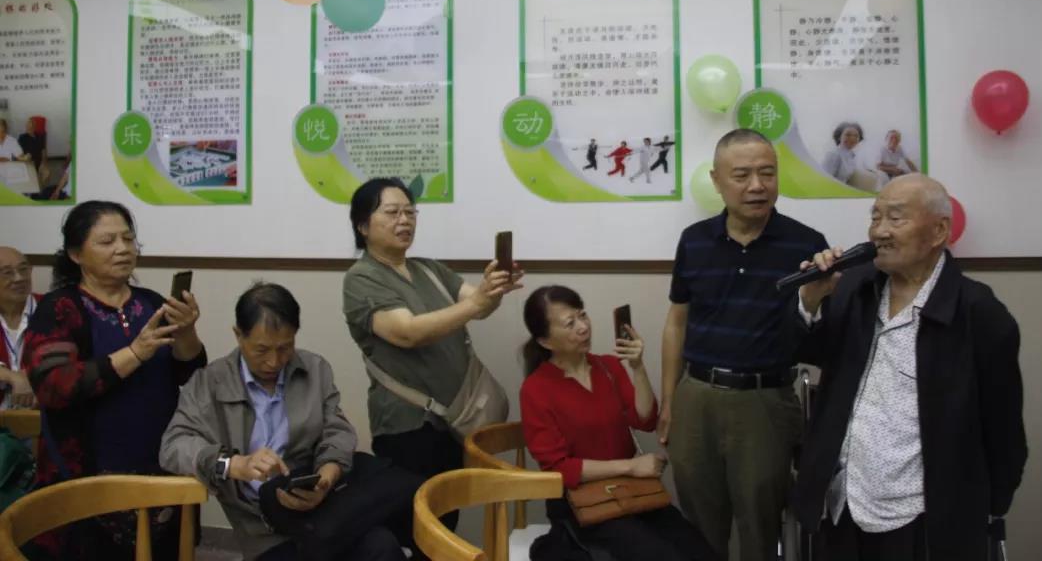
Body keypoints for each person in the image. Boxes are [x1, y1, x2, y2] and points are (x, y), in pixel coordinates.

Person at [792, 174, 1027, 561]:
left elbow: (1004, 433)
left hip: (922, 516)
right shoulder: (853, 287)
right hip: (844, 503)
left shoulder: (980, 313)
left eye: (895, 218)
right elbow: (808, 351)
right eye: (875, 217)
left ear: (939, 231)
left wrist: (984, 510)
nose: (879, 231)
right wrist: (811, 300)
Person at [659, 128, 827, 561]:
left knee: (761, 523)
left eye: (767, 173)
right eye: (742, 175)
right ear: (717, 181)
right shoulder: (694, 240)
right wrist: (670, 399)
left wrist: (815, 298)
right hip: (696, 396)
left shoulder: (806, 244)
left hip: (765, 400)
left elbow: (822, 334)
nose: (757, 185)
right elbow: (677, 321)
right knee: (698, 524)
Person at [161, 282, 419, 561]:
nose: (274, 361)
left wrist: (326, 478)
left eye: (285, 347)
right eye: (261, 350)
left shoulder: (314, 369)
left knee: (382, 544)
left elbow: (337, 432)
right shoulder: (211, 382)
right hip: (262, 529)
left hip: (323, 507)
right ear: (238, 335)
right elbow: (174, 445)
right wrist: (234, 464)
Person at [23, 200, 207, 560]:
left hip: (160, 465)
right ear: (76, 254)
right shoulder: (59, 308)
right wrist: (135, 353)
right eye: (107, 241)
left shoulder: (151, 302)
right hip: (87, 473)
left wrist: (186, 332)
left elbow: (189, 373)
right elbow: (54, 386)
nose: (123, 248)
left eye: (128, 238)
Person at [341, 178, 522, 530]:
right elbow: (407, 332)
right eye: (392, 212)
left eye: (410, 212)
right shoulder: (361, 278)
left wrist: (492, 290)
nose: (404, 220)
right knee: (417, 527)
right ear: (363, 226)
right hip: (408, 426)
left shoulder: (428, 268)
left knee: (446, 518)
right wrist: (477, 302)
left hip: (453, 421)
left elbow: (478, 306)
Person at [520, 285, 717, 561]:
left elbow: (645, 419)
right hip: (582, 503)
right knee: (660, 555)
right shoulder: (536, 389)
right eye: (570, 323)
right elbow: (559, 468)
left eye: (583, 315)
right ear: (545, 341)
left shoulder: (608, 366)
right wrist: (631, 466)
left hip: (631, 492)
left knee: (698, 550)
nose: (583, 327)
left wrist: (637, 367)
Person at [0, 247, 36, 409]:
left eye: (23, 269)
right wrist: (11, 376)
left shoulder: (55, 310)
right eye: (7, 272)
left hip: (42, 416)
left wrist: (33, 375)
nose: (19, 278)